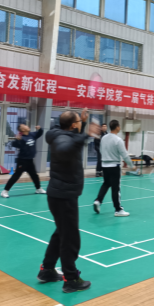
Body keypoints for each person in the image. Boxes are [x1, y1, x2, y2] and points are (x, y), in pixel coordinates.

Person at [38, 109, 99, 293]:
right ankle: (71, 279)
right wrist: (87, 135)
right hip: (64, 196)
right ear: (73, 125)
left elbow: (73, 139)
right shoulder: (62, 139)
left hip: (60, 194)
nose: (80, 123)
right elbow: (65, 148)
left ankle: (47, 270)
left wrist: (84, 124)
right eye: (79, 121)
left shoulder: (59, 134)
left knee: (61, 234)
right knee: (70, 239)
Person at [93, 120, 136, 217]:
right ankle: (118, 210)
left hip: (104, 166)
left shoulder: (104, 138)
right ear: (117, 127)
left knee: (106, 184)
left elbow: (101, 150)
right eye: (119, 126)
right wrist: (131, 165)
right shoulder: (118, 140)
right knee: (115, 188)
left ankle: (98, 201)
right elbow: (125, 155)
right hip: (114, 167)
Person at [1, 124, 45, 198]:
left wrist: (40, 129)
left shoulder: (32, 134)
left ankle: (38, 189)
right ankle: (5, 191)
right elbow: (14, 144)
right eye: (25, 126)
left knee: (34, 175)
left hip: (30, 160)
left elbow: (40, 133)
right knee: (16, 176)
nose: (27, 126)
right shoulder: (21, 138)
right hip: (22, 161)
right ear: (23, 129)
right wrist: (17, 140)